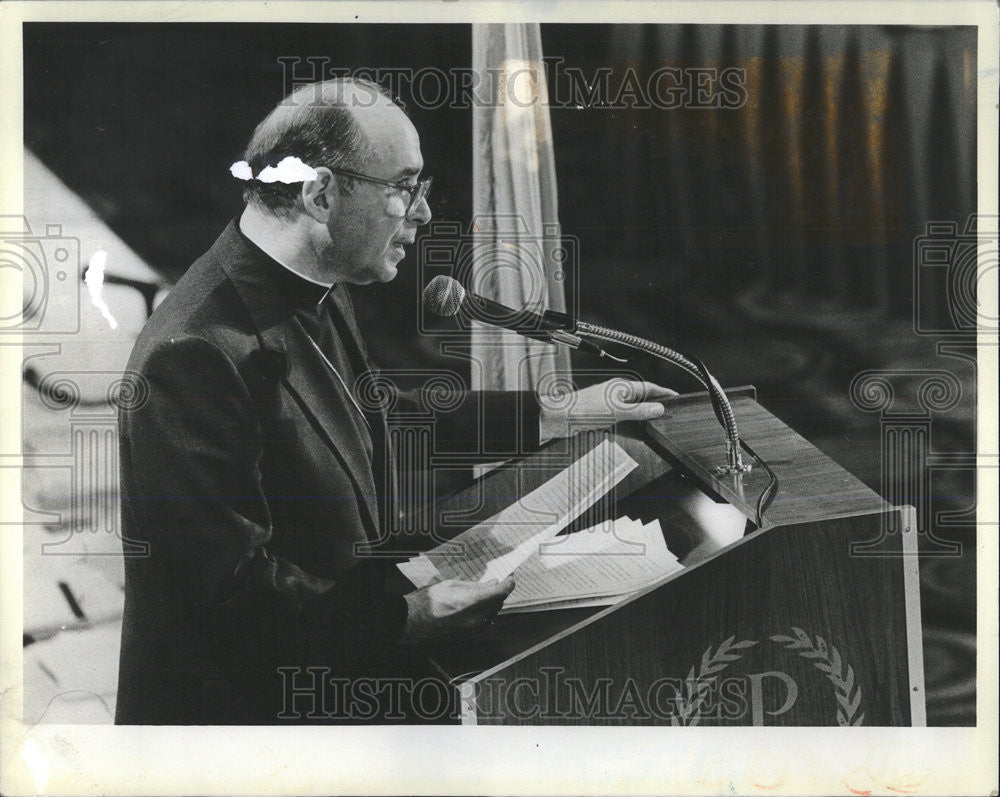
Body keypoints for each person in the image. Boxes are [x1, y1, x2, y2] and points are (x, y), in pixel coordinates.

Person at [115, 78, 673, 724]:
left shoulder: (313, 279)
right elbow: (234, 607)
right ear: (322, 194)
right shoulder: (193, 356)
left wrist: (560, 410)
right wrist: (409, 618)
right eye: (404, 188)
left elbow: (375, 416)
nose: (424, 214)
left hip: (326, 667)